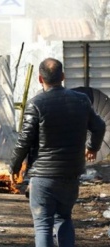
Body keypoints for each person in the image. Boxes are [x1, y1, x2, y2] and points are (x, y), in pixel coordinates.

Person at [9, 58, 106, 247]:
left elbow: (25, 140)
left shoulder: (36, 103)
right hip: (71, 174)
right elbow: (100, 126)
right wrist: (93, 148)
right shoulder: (81, 100)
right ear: (62, 76)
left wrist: (14, 166)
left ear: (39, 79)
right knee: (64, 218)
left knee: (43, 224)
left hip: (43, 176)